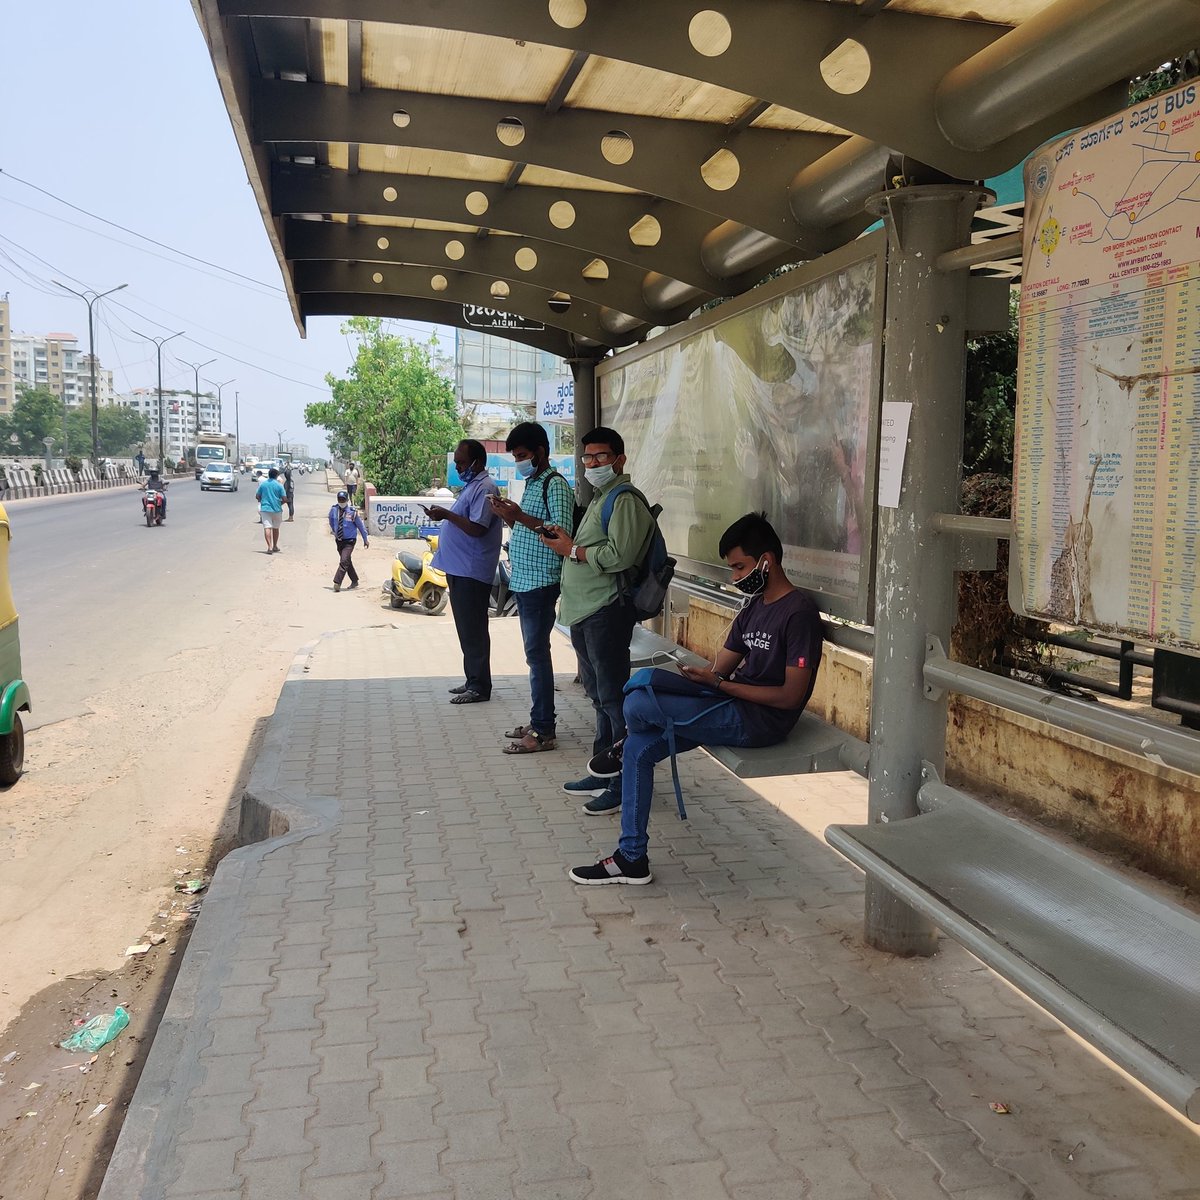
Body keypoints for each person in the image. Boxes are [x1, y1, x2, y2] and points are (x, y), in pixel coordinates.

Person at [568, 512, 823, 884]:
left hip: (760, 721)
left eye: (740, 567)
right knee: (643, 695)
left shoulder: (798, 613)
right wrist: (707, 678)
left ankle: (622, 747)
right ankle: (631, 858)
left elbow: (789, 697)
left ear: (766, 561)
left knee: (638, 706)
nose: (736, 577)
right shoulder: (755, 607)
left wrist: (720, 686)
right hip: (729, 702)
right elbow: (724, 665)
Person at [538, 426, 655, 814]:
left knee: (615, 701)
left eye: (600, 457)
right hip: (585, 610)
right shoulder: (601, 497)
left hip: (606, 610)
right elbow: (589, 548)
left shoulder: (625, 501)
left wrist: (572, 550)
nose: (592, 464)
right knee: (600, 699)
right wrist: (567, 545)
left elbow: (619, 555)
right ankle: (602, 769)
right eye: (587, 457)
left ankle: (624, 783)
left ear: (619, 459)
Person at [488, 422, 576, 753]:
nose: (518, 462)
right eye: (515, 457)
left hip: (542, 582)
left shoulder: (555, 485)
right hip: (525, 581)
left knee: (537, 656)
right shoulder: (533, 482)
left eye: (522, 456)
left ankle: (543, 730)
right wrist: (508, 516)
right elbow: (533, 527)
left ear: (540, 452)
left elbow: (560, 533)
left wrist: (520, 517)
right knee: (533, 655)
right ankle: (539, 719)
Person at [426, 440, 502, 704]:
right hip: (459, 569)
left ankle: (480, 687)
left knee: (474, 630)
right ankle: (473, 679)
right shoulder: (472, 486)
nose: (458, 467)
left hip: (472, 570)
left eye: (461, 462)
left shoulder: (485, 488)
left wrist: (447, 515)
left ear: (477, 463)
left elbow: (478, 528)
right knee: (466, 629)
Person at [329, 489, 369, 591]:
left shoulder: (352, 512)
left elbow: (361, 526)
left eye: (343, 500)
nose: (341, 502)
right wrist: (334, 531)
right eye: (340, 499)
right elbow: (331, 521)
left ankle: (337, 582)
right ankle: (354, 580)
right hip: (339, 540)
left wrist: (365, 539)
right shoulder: (333, 510)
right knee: (347, 561)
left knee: (343, 560)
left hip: (350, 541)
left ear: (347, 500)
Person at [256, 466, 287, 554]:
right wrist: (279, 503)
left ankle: (269, 547)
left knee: (267, 527)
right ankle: (275, 546)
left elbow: (257, 496)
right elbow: (284, 499)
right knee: (276, 528)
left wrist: (262, 501)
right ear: (277, 476)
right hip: (277, 509)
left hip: (265, 509)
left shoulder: (263, 484)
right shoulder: (279, 485)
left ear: (269, 475)